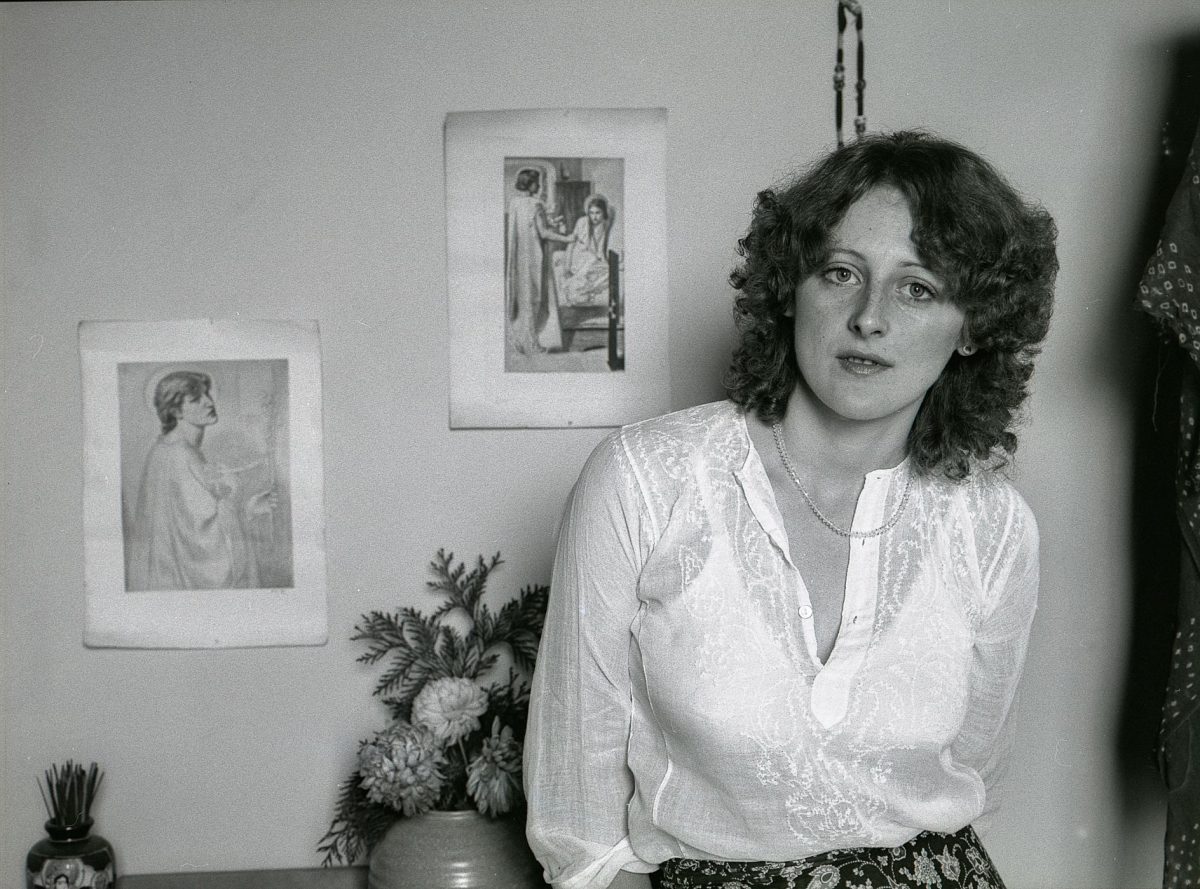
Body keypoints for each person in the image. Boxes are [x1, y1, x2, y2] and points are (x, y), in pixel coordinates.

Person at [524, 131, 1058, 889]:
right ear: (790, 288)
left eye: (918, 288)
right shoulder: (645, 480)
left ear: (974, 326)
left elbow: (971, 771)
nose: (869, 317)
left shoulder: (996, 527)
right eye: (841, 273)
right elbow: (578, 824)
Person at [126, 370, 274, 591]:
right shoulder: (181, 455)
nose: (209, 402)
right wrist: (245, 506)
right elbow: (202, 538)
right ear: (176, 411)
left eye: (207, 394)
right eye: (196, 399)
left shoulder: (169, 449)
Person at [506, 168, 574, 355]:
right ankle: (533, 343)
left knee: (523, 298)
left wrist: (551, 222)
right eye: (537, 182)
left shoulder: (514, 203)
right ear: (529, 184)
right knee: (536, 298)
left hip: (520, 258)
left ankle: (521, 341)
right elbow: (543, 233)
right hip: (534, 257)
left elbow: (531, 226)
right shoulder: (536, 204)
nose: (540, 186)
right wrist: (567, 238)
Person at [559, 194, 615, 306]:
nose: (594, 217)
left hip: (591, 258)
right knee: (590, 262)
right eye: (591, 213)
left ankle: (584, 291)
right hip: (579, 256)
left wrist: (603, 261)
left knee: (609, 272)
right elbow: (571, 243)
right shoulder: (582, 222)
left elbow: (600, 249)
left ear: (603, 212)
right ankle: (572, 288)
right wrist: (567, 265)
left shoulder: (603, 225)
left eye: (598, 213)